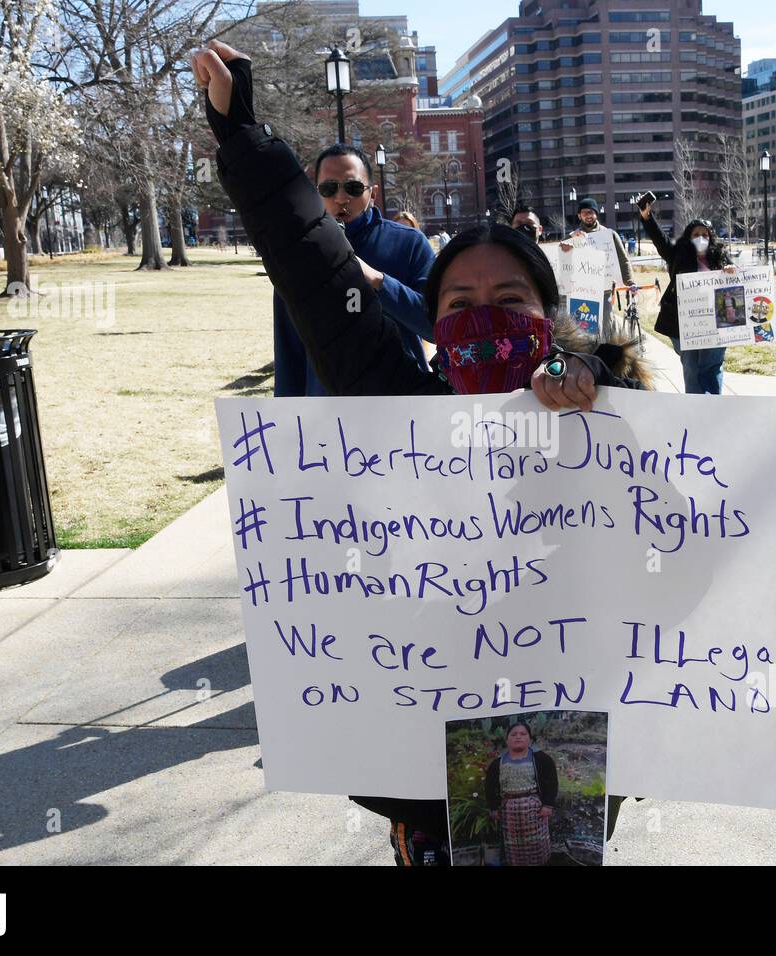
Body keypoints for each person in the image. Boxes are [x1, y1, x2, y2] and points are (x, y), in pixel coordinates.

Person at [193, 39, 644, 864]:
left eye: (508, 300)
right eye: (460, 302)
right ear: (432, 327)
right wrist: (245, 142)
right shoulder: (398, 410)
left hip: (569, 761)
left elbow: (683, 521)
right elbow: (317, 272)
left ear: (549, 317)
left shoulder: (598, 412)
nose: (485, 315)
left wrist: (599, 390)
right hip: (426, 774)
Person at [272, 144, 435, 397]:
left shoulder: (410, 244)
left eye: (353, 187)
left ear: (373, 193)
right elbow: (289, 351)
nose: (340, 198)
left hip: (402, 403)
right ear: (316, 193)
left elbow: (438, 327)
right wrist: (286, 419)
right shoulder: (298, 256)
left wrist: (379, 282)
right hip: (328, 411)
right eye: (328, 188)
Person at [638, 194, 732, 394]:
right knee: (690, 365)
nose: (701, 238)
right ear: (689, 237)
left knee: (712, 364)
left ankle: (713, 401)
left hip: (715, 321)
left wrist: (731, 269)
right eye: (696, 234)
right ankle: (694, 404)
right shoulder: (677, 256)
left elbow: (735, 282)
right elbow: (660, 240)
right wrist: (647, 218)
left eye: (705, 235)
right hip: (683, 322)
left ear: (711, 237)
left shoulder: (720, 258)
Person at [485, 722, 559, 866]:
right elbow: (490, 786)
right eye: (513, 734)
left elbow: (551, 782)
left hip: (535, 810)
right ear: (507, 740)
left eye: (523, 734)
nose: (518, 737)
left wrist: (548, 805)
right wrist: (493, 808)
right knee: (513, 846)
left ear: (530, 739)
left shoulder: (542, 759)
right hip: (509, 810)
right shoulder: (498, 763)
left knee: (536, 845)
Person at [570, 197, 633, 287]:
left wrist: (630, 282)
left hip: (606, 288)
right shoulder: (572, 237)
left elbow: (623, 260)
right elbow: (563, 262)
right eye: (584, 213)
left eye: (591, 212)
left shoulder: (610, 235)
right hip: (582, 289)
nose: (588, 216)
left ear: (596, 214)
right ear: (579, 216)